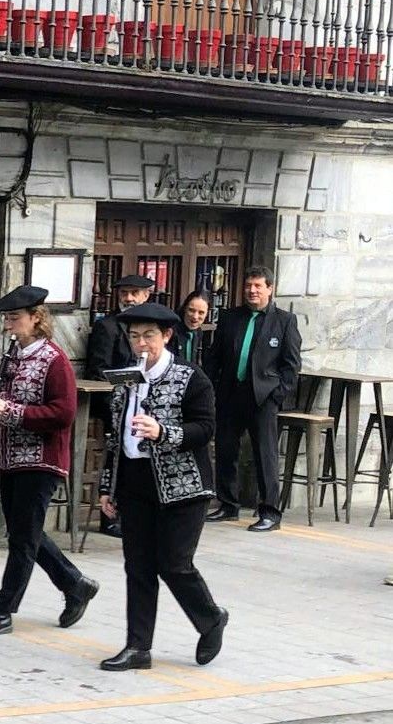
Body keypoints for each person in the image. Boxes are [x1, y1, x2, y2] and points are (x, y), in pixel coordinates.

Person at [0, 285, 99, 637]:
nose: (9, 325)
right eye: (6, 318)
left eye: (15, 318)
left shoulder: (54, 359)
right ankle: (74, 583)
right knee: (24, 533)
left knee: (22, 538)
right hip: (10, 458)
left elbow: (63, 413)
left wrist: (13, 412)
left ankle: (4, 608)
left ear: (37, 318)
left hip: (41, 460)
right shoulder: (12, 355)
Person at [97, 303, 228, 671]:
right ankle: (138, 647)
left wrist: (164, 432)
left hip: (182, 486)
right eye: (135, 335)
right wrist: (108, 486)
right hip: (136, 483)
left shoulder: (190, 377)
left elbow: (205, 429)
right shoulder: (125, 380)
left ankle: (211, 618)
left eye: (149, 335)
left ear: (167, 336)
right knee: (137, 566)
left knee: (174, 563)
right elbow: (115, 437)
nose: (141, 343)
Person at [204, 266, 302, 532]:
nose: (252, 291)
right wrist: (209, 388)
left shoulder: (284, 321)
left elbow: (291, 366)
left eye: (258, 286)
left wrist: (276, 395)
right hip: (230, 393)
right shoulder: (230, 317)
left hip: (262, 396)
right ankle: (227, 504)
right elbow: (214, 356)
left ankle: (270, 511)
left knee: (265, 455)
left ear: (270, 288)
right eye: (249, 286)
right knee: (225, 449)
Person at [85, 274, 155, 539]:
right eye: (124, 293)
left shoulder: (154, 327)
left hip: (147, 406)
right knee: (115, 462)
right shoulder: (109, 327)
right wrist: (126, 381)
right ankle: (110, 518)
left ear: (146, 295)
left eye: (135, 293)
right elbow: (98, 370)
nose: (129, 298)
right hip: (116, 404)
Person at [172, 290, 213, 368]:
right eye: (191, 310)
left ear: (207, 313)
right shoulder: (171, 331)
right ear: (185, 308)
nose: (195, 316)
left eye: (201, 312)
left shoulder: (199, 333)